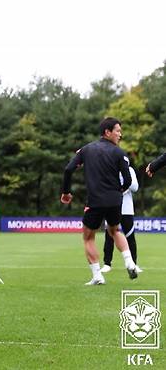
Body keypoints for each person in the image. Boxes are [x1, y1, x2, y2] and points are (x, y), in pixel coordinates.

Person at [61, 117, 138, 285]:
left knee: (88, 238)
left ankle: (97, 276)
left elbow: (68, 169)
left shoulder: (86, 150)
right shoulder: (120, 153)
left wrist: (66, 192)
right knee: (115, 230)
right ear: (107, 132)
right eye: (118, 130)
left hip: (95, 201)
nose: (120, 134)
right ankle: (129, 262)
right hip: (115, 201)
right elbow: (127, 181)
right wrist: (118, 192)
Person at [101, 165, 141, 273]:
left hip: (127, 209)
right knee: (109, 236)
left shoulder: (130, 170)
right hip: (111, 206)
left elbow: (135, 187)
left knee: (130, 237)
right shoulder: (108, 168)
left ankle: (134, 264)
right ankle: (107, 264)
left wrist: (124, 183)